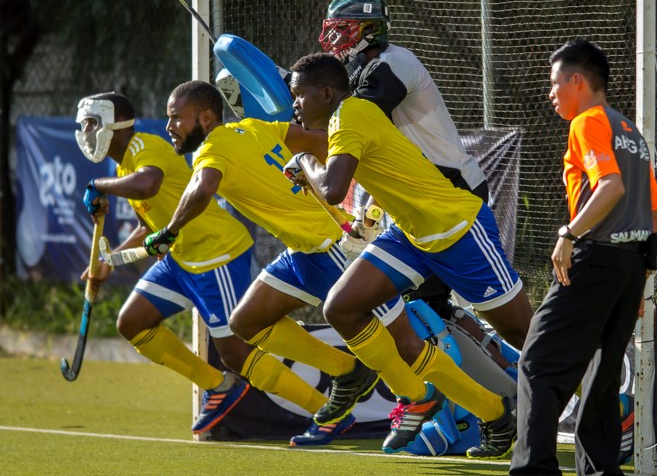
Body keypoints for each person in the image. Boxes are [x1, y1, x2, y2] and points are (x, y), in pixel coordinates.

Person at [284, 53, 534, 459]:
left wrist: (304, 162)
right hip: (409, 234)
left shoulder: (351, 115)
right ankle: (480, 410)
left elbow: (330, 188)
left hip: (456, 229)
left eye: (298, 95)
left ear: (327, 93)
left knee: (526, 335)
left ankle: (616, 408)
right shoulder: (345, 118)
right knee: (343, 308)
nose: (294, 104)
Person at [143, 80, 403, 446]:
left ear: (205, 117)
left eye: (176, 118)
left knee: (404, 335)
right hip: (301, 249)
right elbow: (319, 142)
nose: (170, 126)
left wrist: (169, 232)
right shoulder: (253, 127)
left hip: (331, 244)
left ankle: (450, 407)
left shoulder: (212, 150)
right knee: (246, 322)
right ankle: (348, 370)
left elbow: (203, 188)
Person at [510, 40, 657, 476]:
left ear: (577, 80)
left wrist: (568, 233)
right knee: (603, 373)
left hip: (595, 257)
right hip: (631, 267)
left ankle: (533, 468)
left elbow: (610, 187)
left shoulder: (588, 122)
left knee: (538, 363)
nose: (551, 93)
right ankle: (599, 470)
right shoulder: (632, 133)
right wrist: (642, 278)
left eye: (555, 83)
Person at [76, 92, 255, 435]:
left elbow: (147, 185)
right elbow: (148, 226)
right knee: (132, 322)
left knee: (244, 348)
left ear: (113, 125)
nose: (85, 131)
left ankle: (327, 408)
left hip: (212, 251)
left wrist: (97, 184)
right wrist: (106, 263)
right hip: (179, 257)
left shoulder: (145, 149)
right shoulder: (123, 164)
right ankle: (218, 386)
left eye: (91, 123)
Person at [319, 0, 488, 318]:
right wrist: (368, 214)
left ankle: (520, 364)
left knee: (435, 309)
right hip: (422, 200)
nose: (334, 41)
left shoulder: (393, 63)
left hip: (452, 194)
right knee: (424, 309)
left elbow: (356, 124)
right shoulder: (366, 74)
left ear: (369, 31)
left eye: (343, 31)